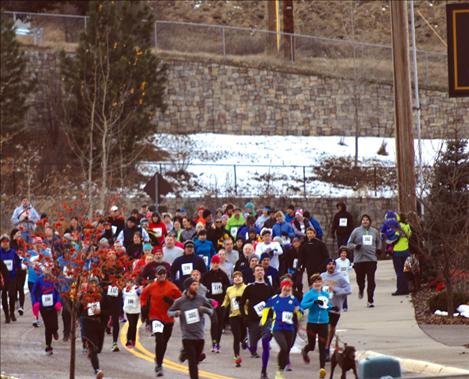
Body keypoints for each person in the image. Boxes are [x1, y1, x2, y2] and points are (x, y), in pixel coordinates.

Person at [168, 277, 214, 379]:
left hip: (199, 336)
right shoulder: (180, 301)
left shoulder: (201, 299)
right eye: (194, 285)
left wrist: (204, 310)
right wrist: (176, 313)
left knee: (195, 360)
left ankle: (185, 354)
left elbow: (211, 311)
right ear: (188, 287)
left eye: (197, 284)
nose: (196, 287)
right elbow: (169, 312)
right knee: (192, 363)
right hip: (187, 336)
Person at [141, 265, 182, 377]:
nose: (162, 275)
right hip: (155, 317)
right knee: (159, 339)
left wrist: (171, 301)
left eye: (164, 273)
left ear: (166, 275)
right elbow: (143, 296)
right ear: (156, 275)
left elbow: (181, 299)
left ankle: (159, 359)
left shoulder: (172, 287)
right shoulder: (151, 286)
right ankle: (159, 365)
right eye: (160, 273)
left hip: (168, 318)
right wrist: (144, 306)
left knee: (164, 342)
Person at [261, 280, 301, 379]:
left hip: (289, 327)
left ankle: (280, 370)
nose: (287, 290)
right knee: (283, 347)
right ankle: (279, 371)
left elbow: (300, 313)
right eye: (285, 288)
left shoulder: (293, 299)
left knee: (287, 349)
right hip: (277, 327)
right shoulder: (274, 299)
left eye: (289, 288)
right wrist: (263, 322)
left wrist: (298, 311)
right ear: (281, 287)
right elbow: (266, 309)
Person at [240, 264, 275, 360]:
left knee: (267, 334)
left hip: (266, 317)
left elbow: (274, 303)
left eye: (261, 270)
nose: (259, 272)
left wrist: (273, 316)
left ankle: (264, 350)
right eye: (257, 270)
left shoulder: (269, 288)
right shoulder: (250, 288)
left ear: (264, 273)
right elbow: (241, 303)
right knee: (254, 341)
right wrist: (244, 316)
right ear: (254, 273)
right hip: (253, 318)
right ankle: (251, 347)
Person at [320, 258, 352, 361]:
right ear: (326, 266)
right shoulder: (322, 276)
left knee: (331, 329)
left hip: (336, 307)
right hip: (324, 307)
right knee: (326, 328)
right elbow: (316, 288)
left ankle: (327, 346)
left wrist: (336, 290)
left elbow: (348, 290)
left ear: (335, 266)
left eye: (333, 264)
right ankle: (325, 349)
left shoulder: (340, 277)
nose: (331, 266)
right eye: (329, 264)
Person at [300, 274, 331, 379]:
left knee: (322, 347)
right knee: (312, 345)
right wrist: (313, 302)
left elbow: (327, 306)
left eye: (319, 281)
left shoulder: (325, 294)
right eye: (315, 282)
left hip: (323, 323)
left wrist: (332, 307)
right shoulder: (309, 294)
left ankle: (322, 369)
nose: (317, 284)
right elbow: (302, 306)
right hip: (312, 323)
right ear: (311, 284)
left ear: (322, 283)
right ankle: (305, 350)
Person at [347, 214, 381, 308]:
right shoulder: (356, 231)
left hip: (371, 259)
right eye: (363, 220)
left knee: (371, 281)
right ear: (361, 221)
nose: (365, 221)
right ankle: (361, 288)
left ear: (370, 221)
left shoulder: (374, 231)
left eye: (367, 220)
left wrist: (378, 249)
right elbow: (348, 244)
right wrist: (355, 246)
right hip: (359, 260)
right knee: (360, 279)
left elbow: (379, 241)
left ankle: (370, 300)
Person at [79, 279, 109, 379]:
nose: (93, 287)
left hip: (99, 325)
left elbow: (108, 311)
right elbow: (77, 309)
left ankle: (91, 354)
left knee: (98, 348)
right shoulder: (84, 296)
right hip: (87, 324)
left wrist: (100, 312)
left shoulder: (102, 297)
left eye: (95, 285)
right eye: (91, 285)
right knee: (93, 348)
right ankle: (97, 370)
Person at [201, 254, 230, 353]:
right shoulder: (207, 275)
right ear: (211, 263)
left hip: (221, 302)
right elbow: (202, 287)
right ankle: (214, 342)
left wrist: (224, 287)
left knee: (220, 323)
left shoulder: (223, 274)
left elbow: (228, 287)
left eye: (217, 263)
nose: (216, 265)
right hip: (211, 302)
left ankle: (218, 343)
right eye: (214, 263)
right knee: (214, 322)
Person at [31, 271, 62, 355]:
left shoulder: (54, 280)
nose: (47, 276)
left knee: (54, 325)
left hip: (53, 306)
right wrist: (35, 302)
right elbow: (33, 292)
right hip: (43, 307)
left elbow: (59, 292)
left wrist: (58, 302)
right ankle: (48, 346)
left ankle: (55, 331)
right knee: (48, 326)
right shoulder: (39, 280)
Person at [221, 271, 247, 367]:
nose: (238, 278)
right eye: (235, 277)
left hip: (244, 315)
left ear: (242, 278)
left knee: (243, 336)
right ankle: (237, 357)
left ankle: (244, 341)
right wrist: (222, 307)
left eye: (240, 276)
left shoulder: (247, 288)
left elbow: (250, 300)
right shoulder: (229, 289)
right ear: (233, 279)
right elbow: (226, 301)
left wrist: (243, 300)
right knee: (236, 337)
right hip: (233, 315)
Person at [0, 235, 21, 323]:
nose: (5, 243)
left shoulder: (13, 252)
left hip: (12, 276)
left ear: (9, 242)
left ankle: (12, 312)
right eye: (3, 241)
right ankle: (6, 315)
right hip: (2, 278)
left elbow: (18, 261)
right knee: (3, 295)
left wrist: (18, 269)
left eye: (7, 241)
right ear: (1, 243)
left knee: (12, 295)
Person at [391, 213, 412, 296]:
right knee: (407, 270)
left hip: (397, 252)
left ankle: (400, 289)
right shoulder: (407, 226)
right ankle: (407, 288)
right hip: (407, 251)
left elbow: (394, 237)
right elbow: (410, 235)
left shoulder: (397, 226)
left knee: (399, 271)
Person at [122, 279, 141, 348]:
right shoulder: (124, 290)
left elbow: (141, 295)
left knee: (134, 325)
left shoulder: (137, 289)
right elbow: (123, 298)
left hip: (135, 310)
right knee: (131, 324)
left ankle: (133, 340)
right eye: (127, 282)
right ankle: (128, 340)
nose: (129, 284)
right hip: (128, 310)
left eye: (130, 282)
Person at [335, 246, 352, 311]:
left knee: (344, 293)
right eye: (342, 253)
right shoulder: (336, 261)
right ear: (340, 254)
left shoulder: (347, 261)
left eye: (345, 253)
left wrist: (352, 267)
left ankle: (345, 307)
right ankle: (338, 306)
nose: (343, 255)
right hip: (338, 279)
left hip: (346, 279)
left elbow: (348, 268)